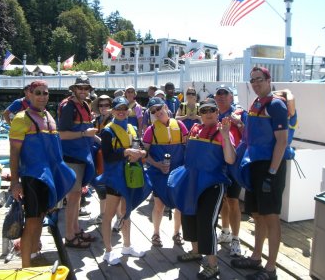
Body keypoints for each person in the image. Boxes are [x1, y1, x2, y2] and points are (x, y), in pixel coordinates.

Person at [231, 67, 289, 280]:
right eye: (252, 80)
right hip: (255, 165)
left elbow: (282, 142)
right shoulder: (256, 103)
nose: (255, 83)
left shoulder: (275, 104)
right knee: (257, 214)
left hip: (269, 167)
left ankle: (271, 269)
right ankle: (256, 258)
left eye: (259, 79)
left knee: (271, 217)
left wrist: (272, 173)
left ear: (268, 80)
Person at [9, 80, 75, 267]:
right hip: (33, 177)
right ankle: (25, 266)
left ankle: (34, 254)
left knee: (40, 217)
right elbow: (14, 153)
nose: (42, 96)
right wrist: (15, 182)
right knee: (31, 221)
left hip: (49, 177)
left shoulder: (48, 116)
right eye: (37, 93)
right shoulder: (22, 118)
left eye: (45, 93)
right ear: (28, 95)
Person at [168, 98, 236, 279]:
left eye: (211, 110)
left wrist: (227, 134)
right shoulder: (195, 129)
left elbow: (230, 160)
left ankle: (213, 265)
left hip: (212, 184)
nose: (208, 114)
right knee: (188, 216)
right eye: (204, 110)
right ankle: (196, 251)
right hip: (192, 181)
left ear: (217, 112)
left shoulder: (222, 131)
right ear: (200, 113)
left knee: (206, 222)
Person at [97, 96, 151, 265]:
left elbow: (141, 148)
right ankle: (108, 251)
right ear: (112, 111)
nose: (121, 112)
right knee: (110, 214)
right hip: (114, 178)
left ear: (128, 111)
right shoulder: (107, 131)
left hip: (131, 175)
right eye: (117, 109)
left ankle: (126, 246)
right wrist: (125, 152)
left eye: (124, 109)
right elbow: (107, 156)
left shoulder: (131, 127)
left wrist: (142, 153)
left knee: (126, 212)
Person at [142, 97, 188, 248]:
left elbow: (188, 147)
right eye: (153, 111)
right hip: (158, 173)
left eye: (158, 108)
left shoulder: (180, 126)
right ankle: (156, 233)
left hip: (178, 172)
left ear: (165, 107)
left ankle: (177, 233)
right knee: (158, 205)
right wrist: (156, 164)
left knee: (179, 205)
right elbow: (144, 154)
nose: (157, 112)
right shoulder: (150, 130)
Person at [58, 77, 98, 248]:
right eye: (80, 88)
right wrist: (84, 135)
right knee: (73, 198)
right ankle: (69, 236)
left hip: (82, 155)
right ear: (74, 89)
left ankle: (76, 229)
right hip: (72, 157)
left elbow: (86, 130)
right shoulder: (69, 107)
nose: (83, 91)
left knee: (77, 197)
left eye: (85, 88)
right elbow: (62, 135)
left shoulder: (83, 104)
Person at [213, 84, 247, 257]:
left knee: (233, 201)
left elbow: (250, 135)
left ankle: (235, 238)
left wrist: (239, 123)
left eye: (225, 94)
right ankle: (225, 231)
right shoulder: (213, 114)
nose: (221, 96)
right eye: (218, 94)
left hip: (234, 166)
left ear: (232, 97)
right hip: (219, 165)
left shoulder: (240, 113)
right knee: (224, 200)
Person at [89, 94, 114, 225]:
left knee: (110, 187)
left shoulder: (113, 121)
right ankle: (103, 214)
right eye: (101, 105)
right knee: (100, 186)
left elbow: (108, 142)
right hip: (98, 156)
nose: (103, 107)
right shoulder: (97, 120)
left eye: (107, 105)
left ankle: (114, 217)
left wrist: (92, 136)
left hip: (108, 157)